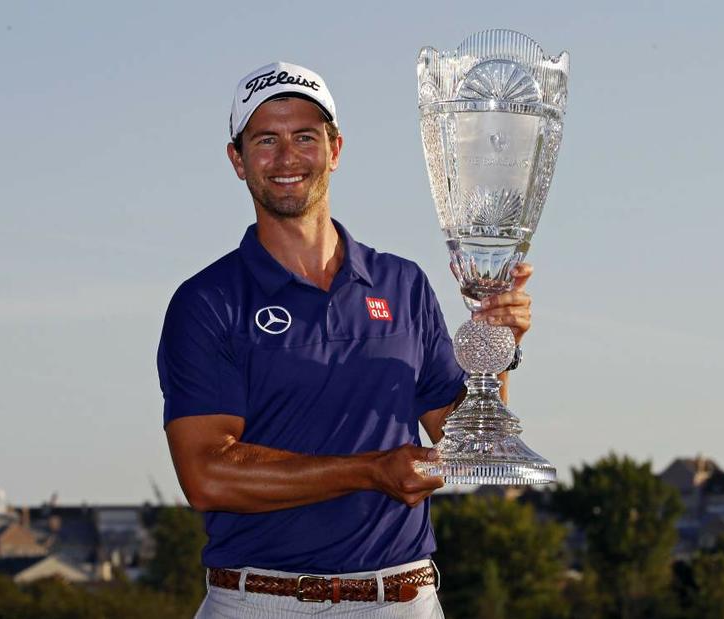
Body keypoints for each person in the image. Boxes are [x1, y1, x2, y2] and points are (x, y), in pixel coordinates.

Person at [157, 61, 533, 618]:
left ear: (335, 150)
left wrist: (493, 349)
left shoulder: (403, 284)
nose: (287, 158)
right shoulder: (207, 301)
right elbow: (207, 475)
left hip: (403, 599)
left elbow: (464, 443)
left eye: (305, 137)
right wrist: (369, 471)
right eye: (266, 140)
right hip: (262, 602)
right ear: (238, 160)